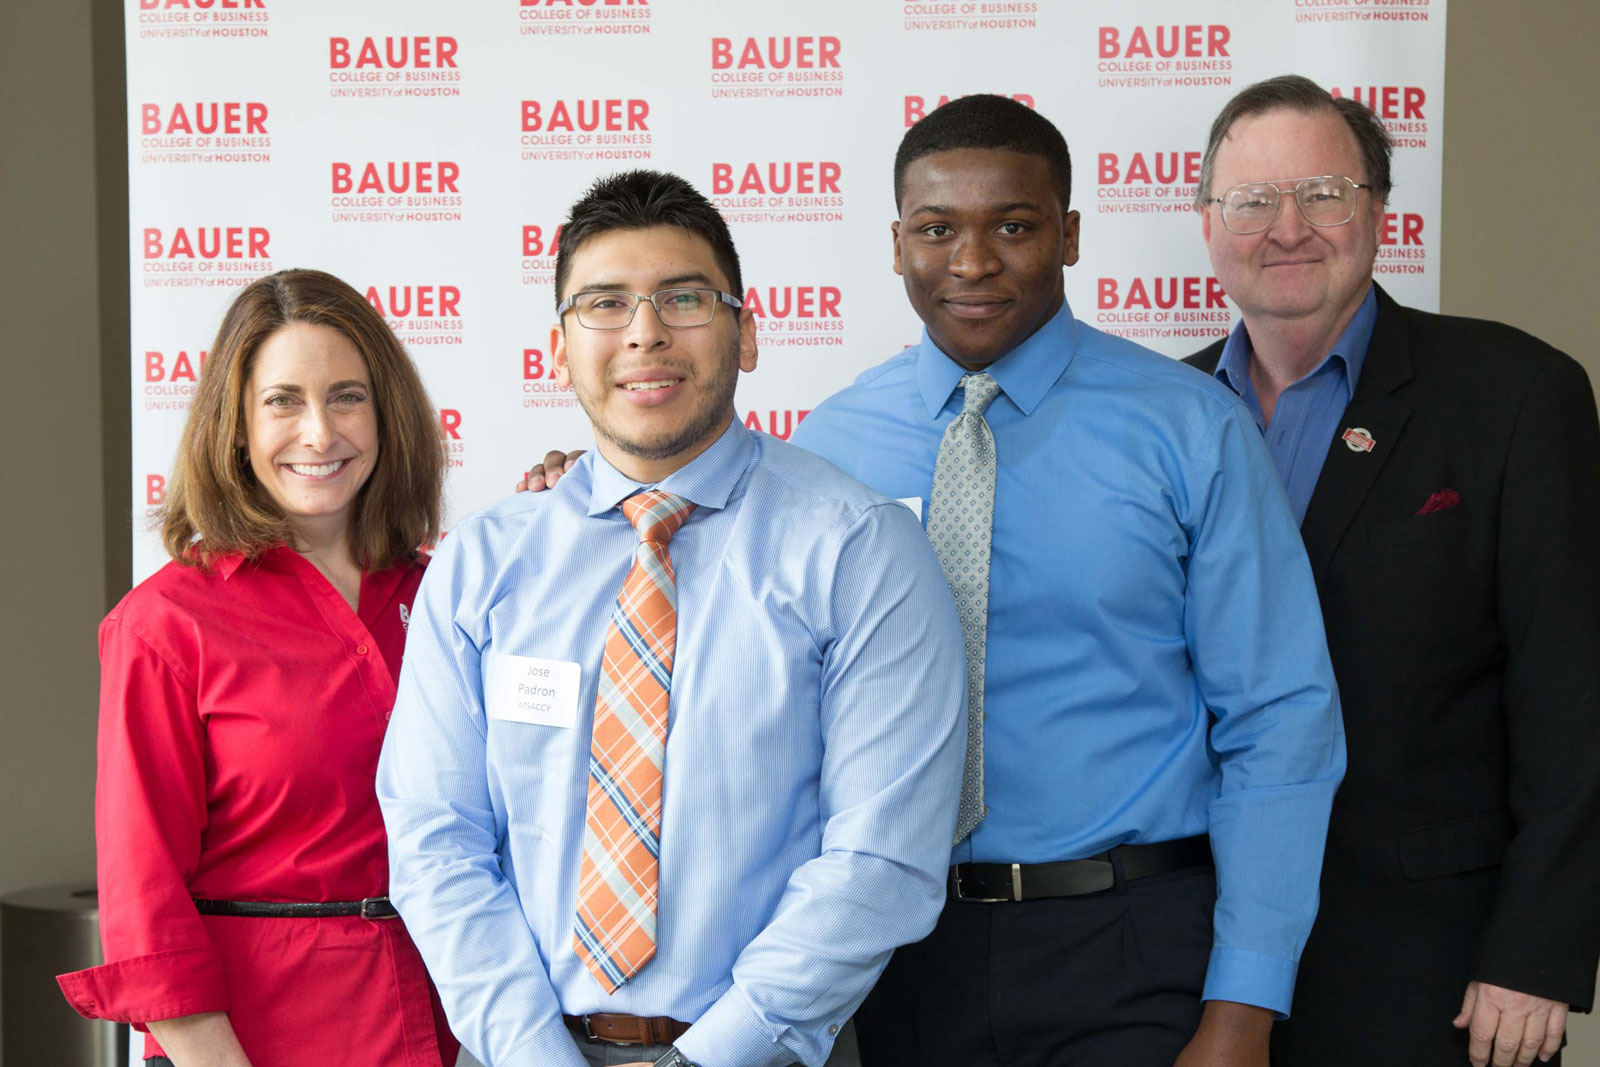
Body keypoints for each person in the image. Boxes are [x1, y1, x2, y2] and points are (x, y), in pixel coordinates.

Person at [524, 98, 1346, 1067]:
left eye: (1012, 225)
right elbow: (720, 647)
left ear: (1069, 233)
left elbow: (1278, 720)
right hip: (892, 958)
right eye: (935, 229)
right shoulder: (827, 444)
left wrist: (1242, 1003)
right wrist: (587, 502)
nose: (971, 261)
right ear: (895, 243)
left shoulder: (1189, 429)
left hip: (1126, 941)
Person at [376, 169, 966, 1067]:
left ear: (748, 330)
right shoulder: (481, 563)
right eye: (605, 303)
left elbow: (880, 862)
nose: (645, 331)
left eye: (684, 297)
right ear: (560, 347)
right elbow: (434, 836)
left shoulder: (858, 548)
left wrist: (707, 1059)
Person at [1187, 74, 1600, 1067]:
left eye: (1322, 193)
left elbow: (1573, 690)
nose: (1287, 228)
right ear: (1208, 228)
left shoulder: (1514, 394)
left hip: (1434, 970)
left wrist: (1537, 950)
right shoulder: (1160, 415)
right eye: (1250, 202)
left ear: (1376, 210)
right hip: (1196, 962)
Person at [55, 270, 457, 1067]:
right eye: (282, 401)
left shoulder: (446, 594)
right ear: (235, 425)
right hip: (256, 1041)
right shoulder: (166, 623)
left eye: (347, 396)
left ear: (386, 414)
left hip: (437, 1024)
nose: (319, 432)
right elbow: (144, 895)